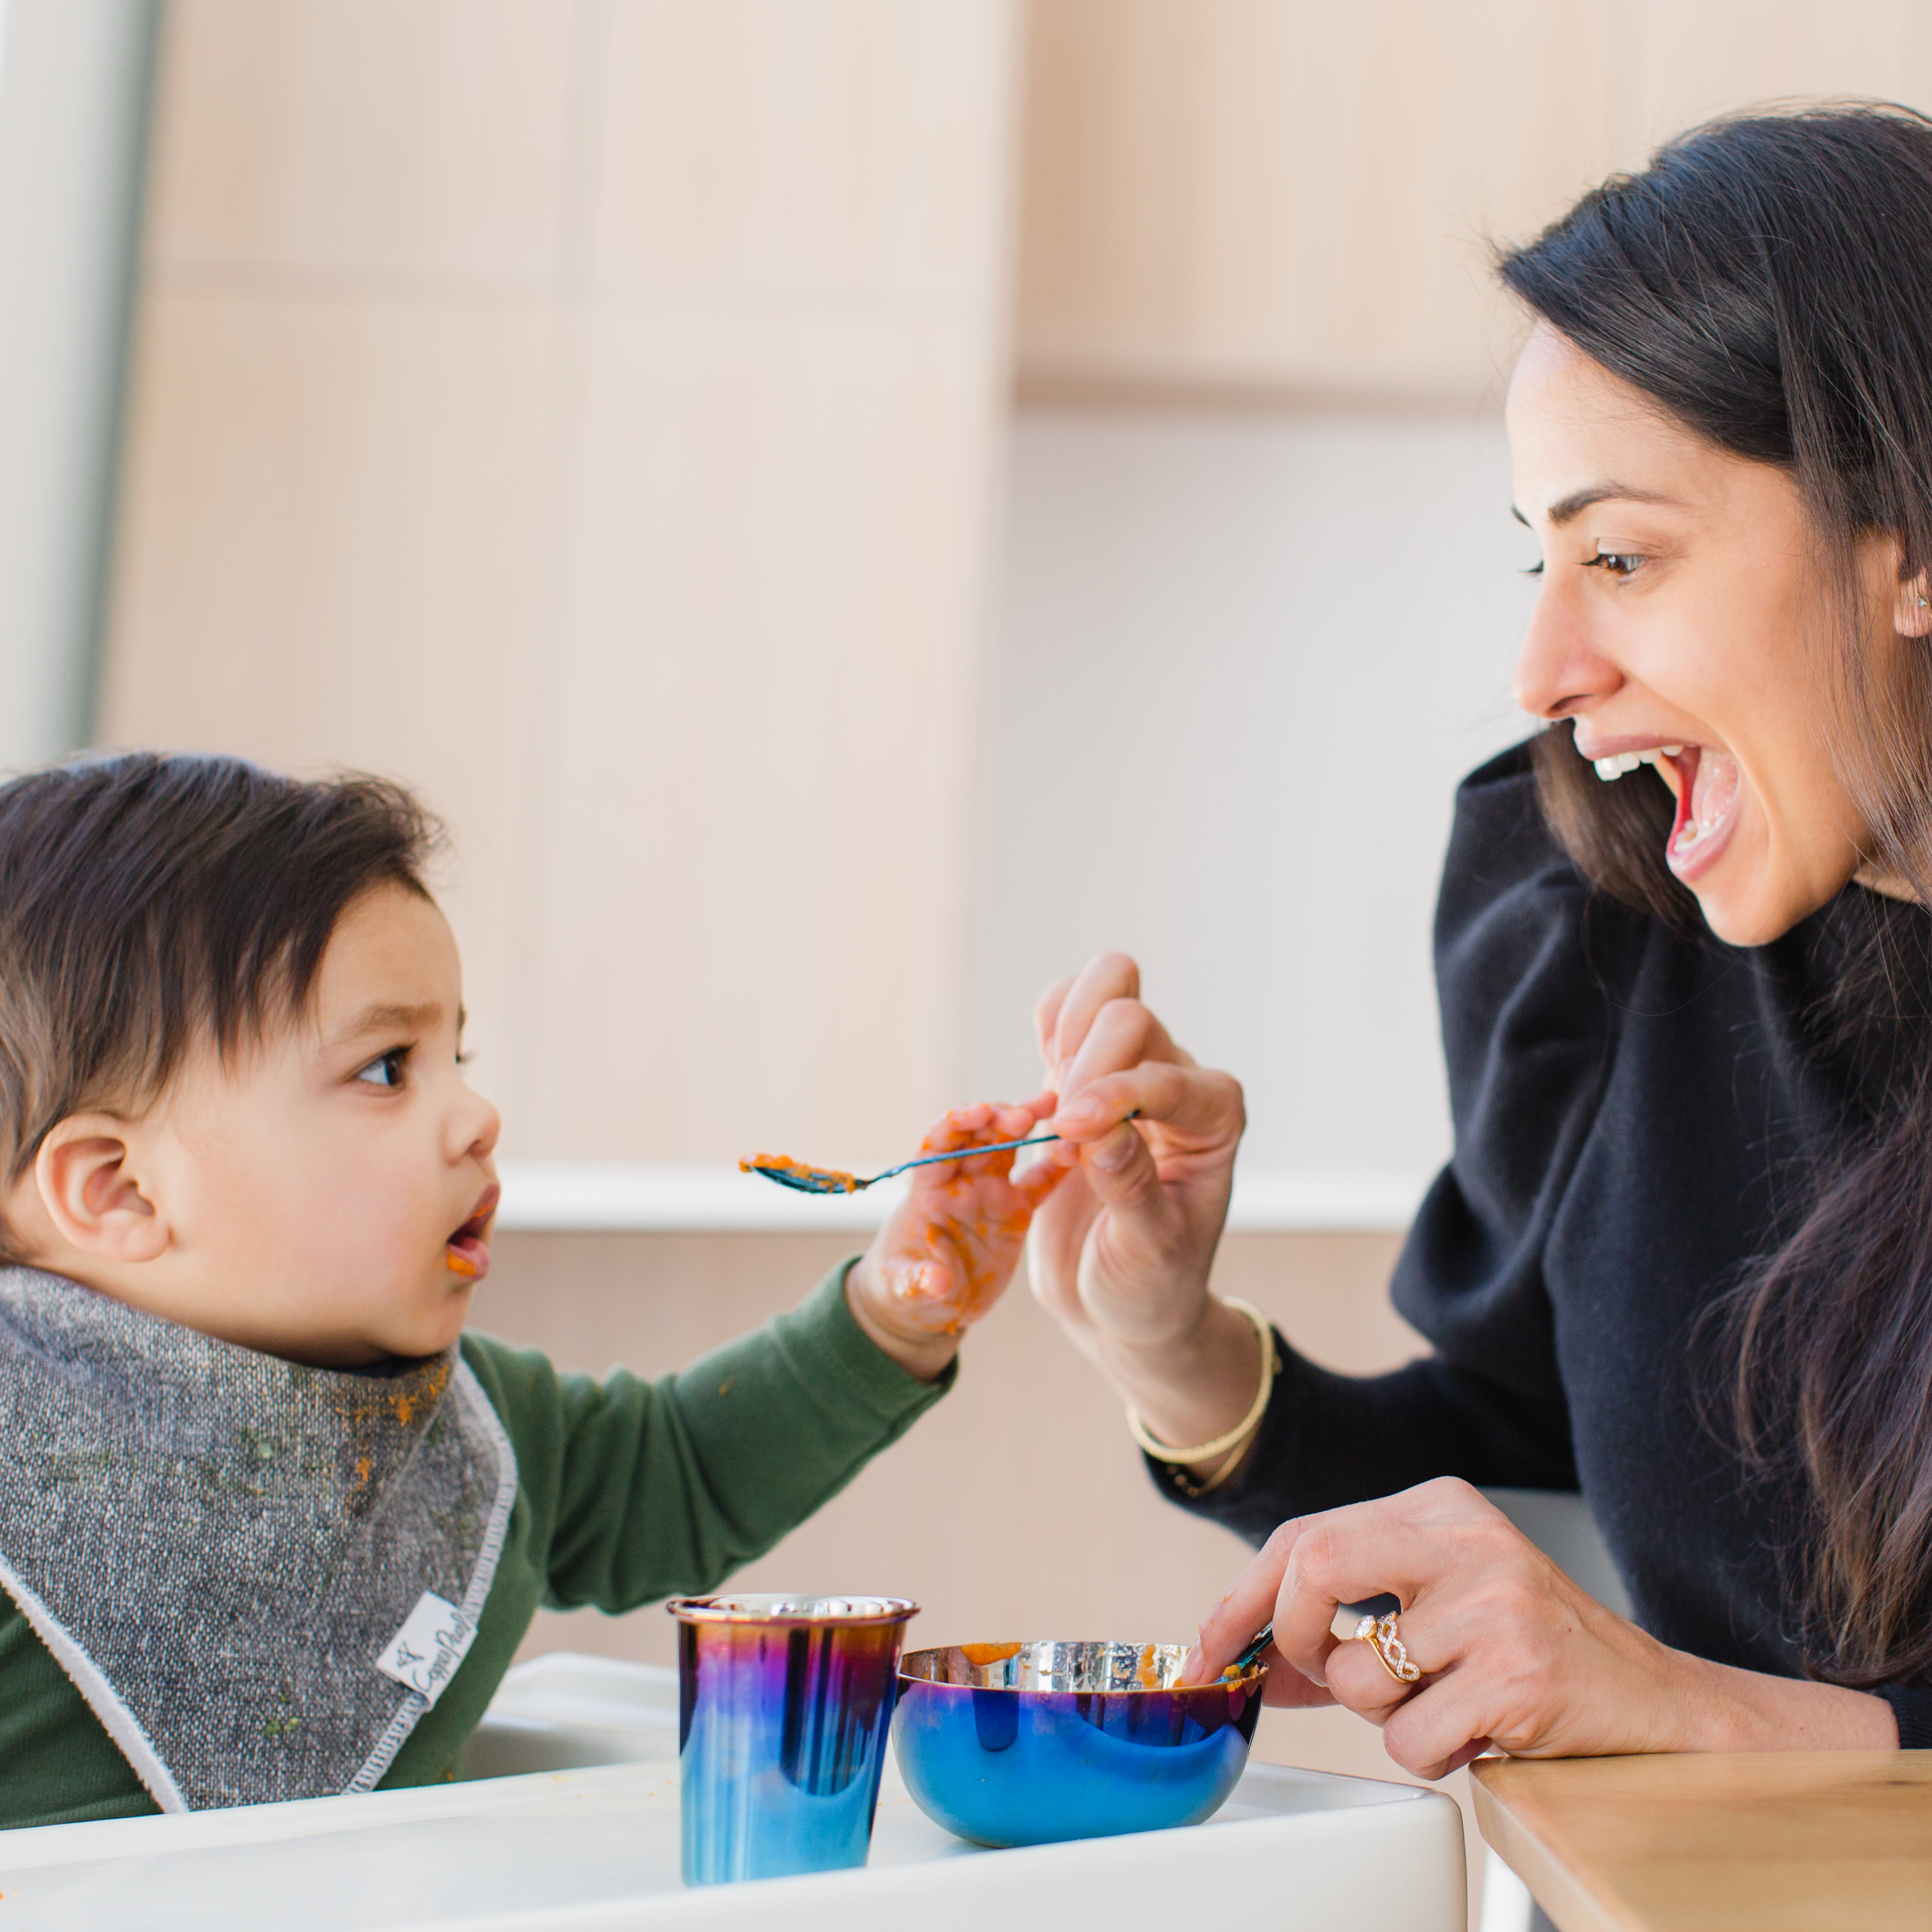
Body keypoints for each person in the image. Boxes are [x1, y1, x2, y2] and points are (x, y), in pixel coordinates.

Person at [1024, 103, 1932, 1777]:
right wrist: (1186, 1352)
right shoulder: (1593, 916)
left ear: (1909, 542)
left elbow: (1654, 1676)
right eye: (1537, 558)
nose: (1541, 667)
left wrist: (1690, 1707)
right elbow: (1541, 1446)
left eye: (1620, 555)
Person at [0, 752, 1060, 1826]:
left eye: (457, 1056)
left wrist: (887, 1315)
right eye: (386, 1069)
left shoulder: (464, 1430)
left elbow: (681, 1469)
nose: (476, 1115)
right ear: (121, 1191)